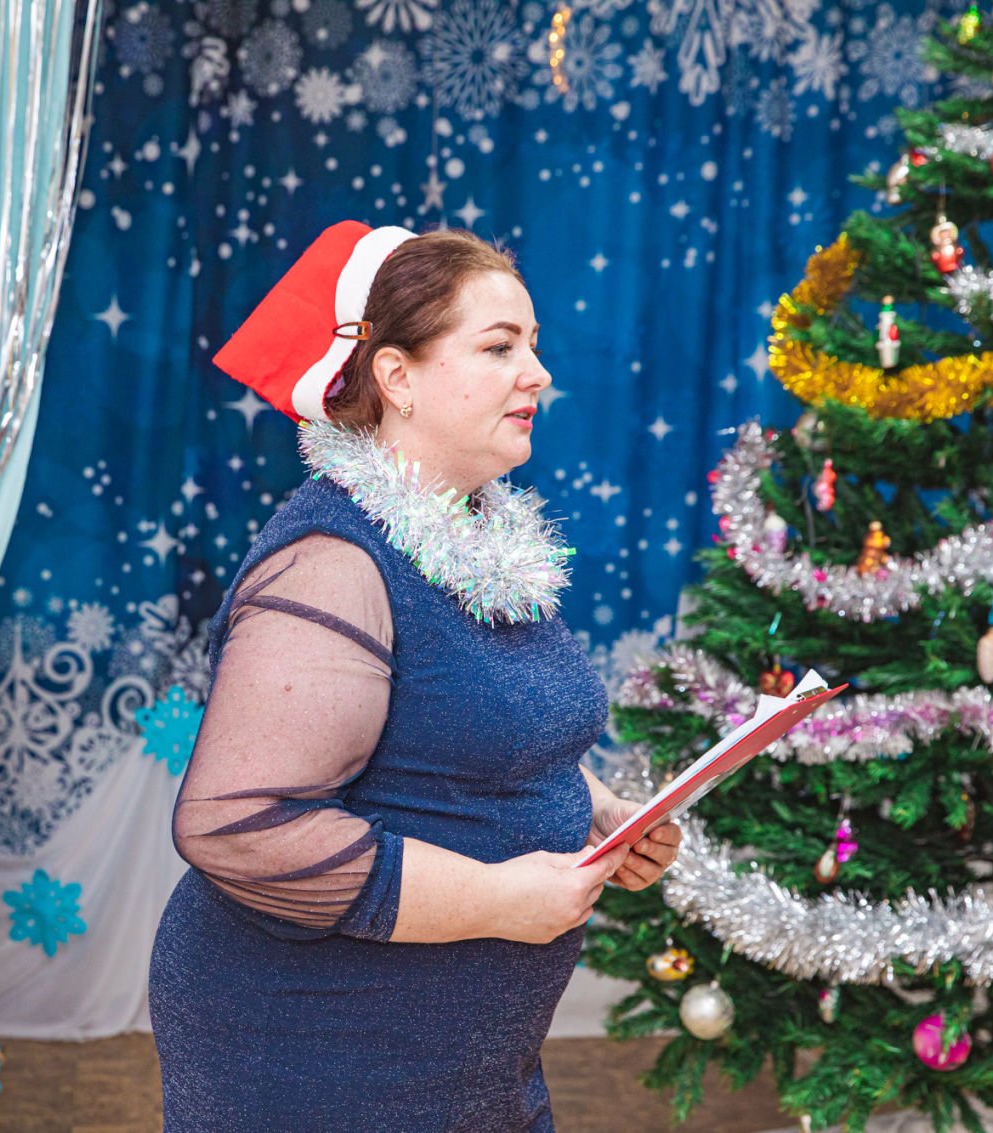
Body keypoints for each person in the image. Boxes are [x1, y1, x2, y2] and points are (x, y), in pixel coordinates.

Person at [148, 221, 683, 1131]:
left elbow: (481, 731)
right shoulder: (333, 563)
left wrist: (597, 811)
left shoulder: (481, 538)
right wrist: (498, 897)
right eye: (500, 347)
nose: (537, 374)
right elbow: (238, 825)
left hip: (469, 1065)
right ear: (396, 376)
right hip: (319, 1058)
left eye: (534, 346)